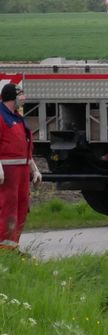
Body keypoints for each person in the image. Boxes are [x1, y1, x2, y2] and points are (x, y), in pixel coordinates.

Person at [0, 83, 40, 251]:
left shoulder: (17, 118)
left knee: (22, 207)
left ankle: (13, 246)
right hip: (7, 172)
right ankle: (3, 247)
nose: (23, 98)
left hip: (22, 171)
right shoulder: (1, 117)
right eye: (20, 94)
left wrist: (34, 169)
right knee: (7, 207)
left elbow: (25, 145)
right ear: (11, 97)